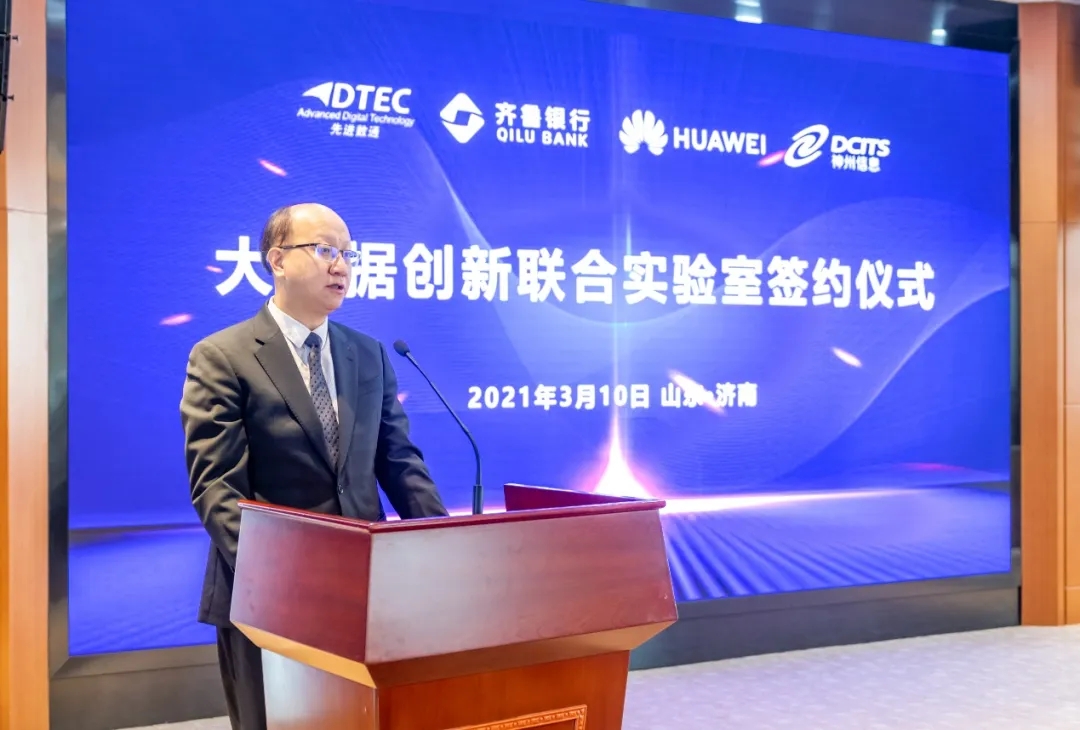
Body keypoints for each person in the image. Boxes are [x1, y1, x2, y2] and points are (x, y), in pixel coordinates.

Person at [180, 203, 448, 729]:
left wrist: (444, 549)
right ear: (277, 260)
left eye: (348, 253)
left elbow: (399, 461)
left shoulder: (368, 355)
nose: (341, 265)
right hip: (269, 598)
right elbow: (218, 488)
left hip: (366, 595)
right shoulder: (223, 356)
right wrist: (288, 578)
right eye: (325, 250)